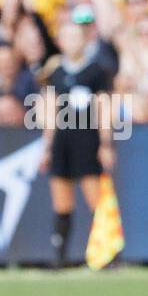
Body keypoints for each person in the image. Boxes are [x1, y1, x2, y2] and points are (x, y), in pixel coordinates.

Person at [38, 14, 115, 269]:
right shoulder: (55, 73)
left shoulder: (95, 71)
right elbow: (50, 112)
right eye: (67, 37)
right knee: (61, 202)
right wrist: (46, 147)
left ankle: (106, 255)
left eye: (76, 36)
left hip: (87, 141)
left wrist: (105, 143)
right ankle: (59, 257)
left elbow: (104, 108)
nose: (72, 41)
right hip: (62, 142)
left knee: (96, 199)